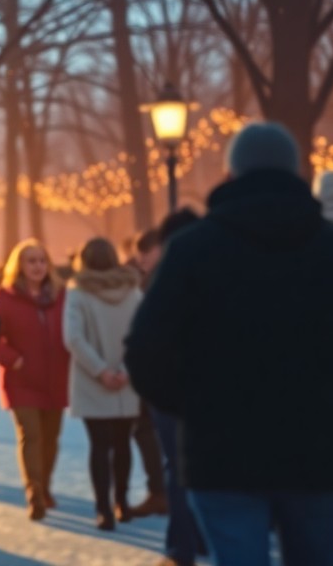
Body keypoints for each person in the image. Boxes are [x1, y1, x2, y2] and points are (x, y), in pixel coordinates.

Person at [128, 123, 333, 566]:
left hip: (221, 450)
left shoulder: (192, 250)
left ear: (229, 174)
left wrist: (193, 405)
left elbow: (145, 350)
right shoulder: (329, 249)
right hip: (318, 448)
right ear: (297, 173)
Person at [62, 237, 143, 530]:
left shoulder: (78, 292)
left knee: (99, 445)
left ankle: (103, 509)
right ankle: (122, 501)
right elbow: (143, 332)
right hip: (126, 380)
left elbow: (74, 337)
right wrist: (124, 370)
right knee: (123, 443)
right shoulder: (133, 291)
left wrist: (100, 371)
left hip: (92, 381)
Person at [146, 207, 208, 566]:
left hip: (173, 390)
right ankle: (197, 537)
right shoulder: (224, 271)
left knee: (178, 467)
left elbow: (147, 343)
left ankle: (180, 546)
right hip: (215, 390)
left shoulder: (165, 277)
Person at [0, 237, 69, 521]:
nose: (37, 266)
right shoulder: (4, 297)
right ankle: (34, 492)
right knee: (31, 435)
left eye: (42, 261)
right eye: (31, 261)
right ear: (20, 266)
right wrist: (11, 358)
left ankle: (45, 486)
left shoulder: (62, 296)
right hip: (21, 379)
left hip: (56, 378)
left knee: (51, 438)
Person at [123, 228, 169, 518]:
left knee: (153, 431)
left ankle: (161, 492)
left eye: (146, 253)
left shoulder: (162, 278)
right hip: (150, 369)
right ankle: (159, 490)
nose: (142, 259)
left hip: (162, 370)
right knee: (145, 429)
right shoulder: (144, 278)